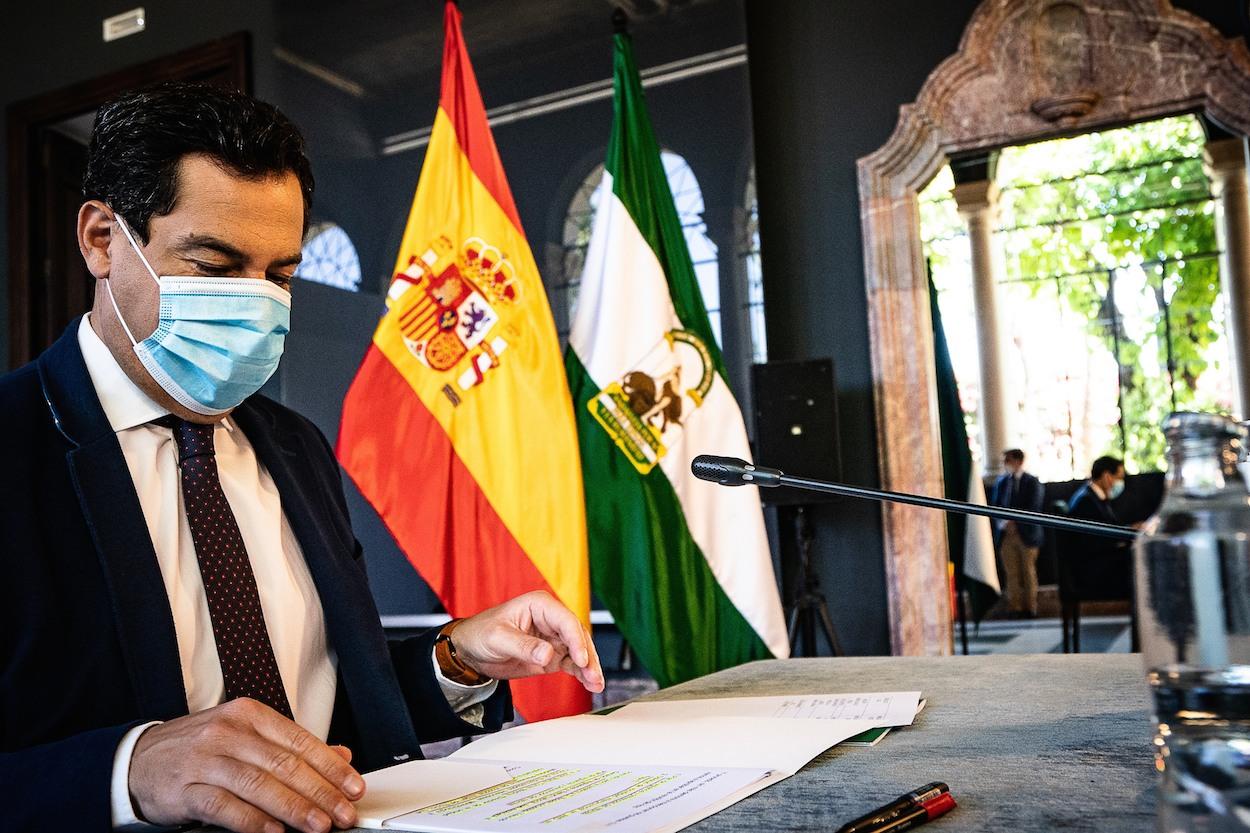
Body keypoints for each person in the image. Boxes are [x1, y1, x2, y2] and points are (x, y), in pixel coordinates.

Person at [0, 82, 604, 833]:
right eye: (215, 267)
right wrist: (130, 768)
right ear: (101, 239)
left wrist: (455, 660)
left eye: (279, 275)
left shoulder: (294, 445)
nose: (255, 305)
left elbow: (322, 708)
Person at [1063, 455, 1133, 599]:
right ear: (1107, 476)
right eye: (1119, 478)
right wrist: (1127, 535)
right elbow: (1095, 542)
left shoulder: (1095, 497)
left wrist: (1129, 529)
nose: (1120, 483)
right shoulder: (1086, 501)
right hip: (1094, 572)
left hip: (1099, 563)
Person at [989, 449, 1044, 617]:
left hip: (1026, 535)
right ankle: (1015, 607)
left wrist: (1016, 522)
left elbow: (1034, 506)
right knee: (1011, 572)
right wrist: (1004, 523)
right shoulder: (1002, 482)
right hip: (1006, 535)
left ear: (1019, 461)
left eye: (1009, 460)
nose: (1006, 463)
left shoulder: (1032, 482)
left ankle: (1030, 607)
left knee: (1028, 571)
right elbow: (996, 506)